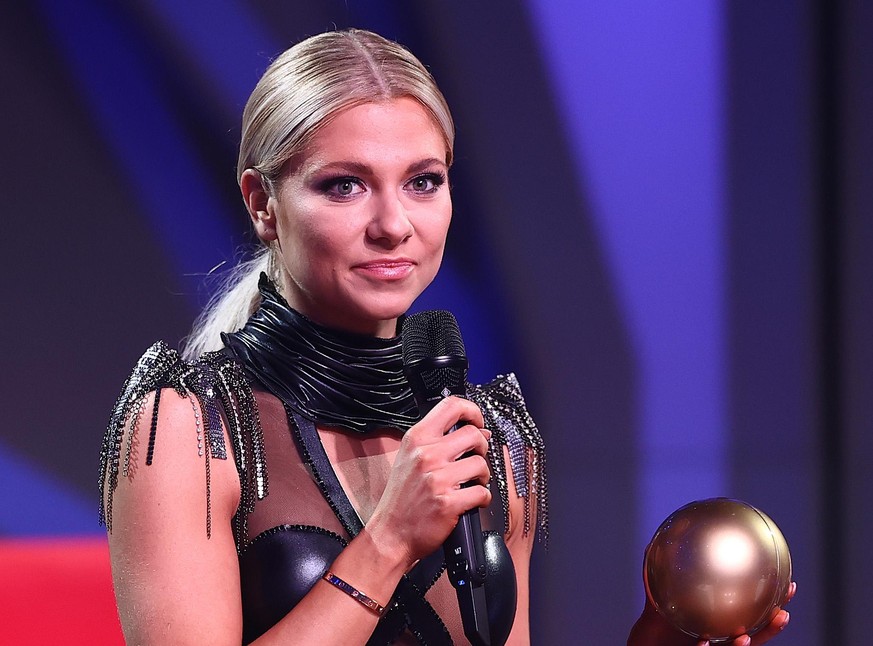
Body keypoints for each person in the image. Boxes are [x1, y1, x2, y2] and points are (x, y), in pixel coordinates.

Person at [99, 28, 792, 645]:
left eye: (423, 181)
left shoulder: (491, 437)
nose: (393, 224)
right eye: (345, 186)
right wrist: (390, 541)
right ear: (262, 204)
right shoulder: (187, 428)